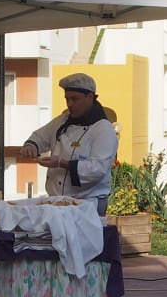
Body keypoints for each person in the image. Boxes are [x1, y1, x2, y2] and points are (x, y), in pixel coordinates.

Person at [18, 73, 117, 216]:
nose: (70, 104)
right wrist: (31, 147)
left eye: (74, 99)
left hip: (88, 204)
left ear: (89, 97)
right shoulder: (62, 121)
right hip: (58, 203)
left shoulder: (103, 129)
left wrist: (61, 163)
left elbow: (97, 169)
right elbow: (40, 136)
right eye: (67, 99)